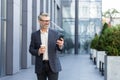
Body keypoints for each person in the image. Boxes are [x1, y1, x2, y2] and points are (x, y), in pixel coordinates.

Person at [29, 12, 64, 80]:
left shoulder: (55, 33)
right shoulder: (34, 35)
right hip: (40, 66)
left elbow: (60, 48)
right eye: (45, 21)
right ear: (39, 21)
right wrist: (38, 51)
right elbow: (31, 49)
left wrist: (60, 46)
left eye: (48, 21)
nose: (47, 23)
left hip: (53, 65)